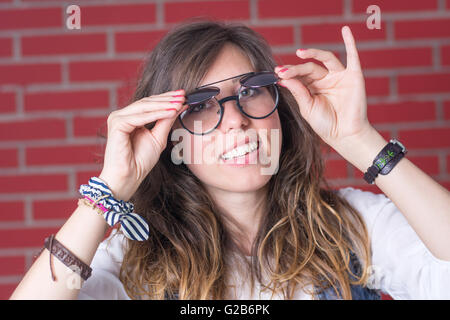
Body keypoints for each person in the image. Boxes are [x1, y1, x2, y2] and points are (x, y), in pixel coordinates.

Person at [10, 19, 450, 300]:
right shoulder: (136, 257)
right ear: (168, 138)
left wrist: (361, 140)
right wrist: (110, 188)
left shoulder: (351, 225)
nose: (236, 121)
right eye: (201, 106)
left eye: (251, 91)